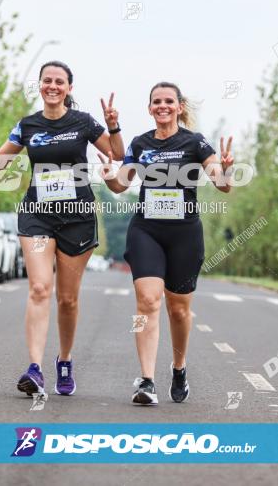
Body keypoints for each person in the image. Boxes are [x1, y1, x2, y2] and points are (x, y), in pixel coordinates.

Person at [0, 60, 124, 396]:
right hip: (37, 215)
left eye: (59, 82)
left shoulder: (83, 122)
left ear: (69, 88)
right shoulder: (27, 125)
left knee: (67, 299)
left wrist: (114, 126)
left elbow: (117, 154)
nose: (52, 86)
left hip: (77, 216)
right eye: (46, 81)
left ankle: (65, 360)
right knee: (40, 288)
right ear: (39, 85)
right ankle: (35, 368)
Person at [99, 81, 234, 405]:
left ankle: (179, 367)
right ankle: (146, 380)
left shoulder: (195, 142)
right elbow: (121, 185)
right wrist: (107, 176)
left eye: (168, 101)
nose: (162, 106)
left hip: (184, 234)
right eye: (156, 101)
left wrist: (226, 171)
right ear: (149, 108)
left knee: (179, 309)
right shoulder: (139, 143)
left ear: (179, 107)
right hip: (146, 230)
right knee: (147, 301)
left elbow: (221, 183)